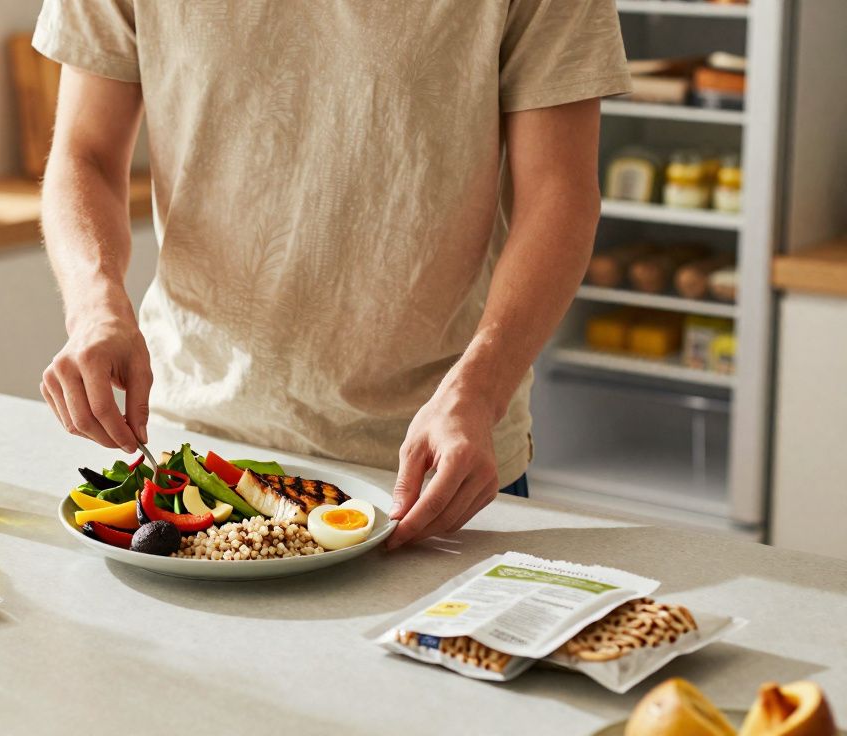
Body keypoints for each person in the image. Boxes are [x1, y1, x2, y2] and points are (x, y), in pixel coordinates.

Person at [32, 2, 630, 549]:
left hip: (430, 463)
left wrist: (481, 389)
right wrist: (95, 306)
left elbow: (560, 193)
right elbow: (86, 152)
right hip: (193, 448)